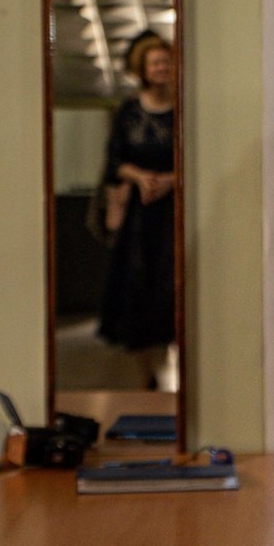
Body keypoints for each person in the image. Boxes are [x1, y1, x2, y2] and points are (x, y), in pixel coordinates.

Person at [96, 32, 176, 387]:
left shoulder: (183, 107)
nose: (161, 68)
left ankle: (179, 372)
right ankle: (148, 379)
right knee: (138, 290)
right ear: (142, 69)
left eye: (165, 62)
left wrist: (171, 181)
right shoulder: (129, 111)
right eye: (154, 63)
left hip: (174, 211)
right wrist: (142, 178)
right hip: (140, 217)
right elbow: (114, 162)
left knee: (173, 290)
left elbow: (197, 156)